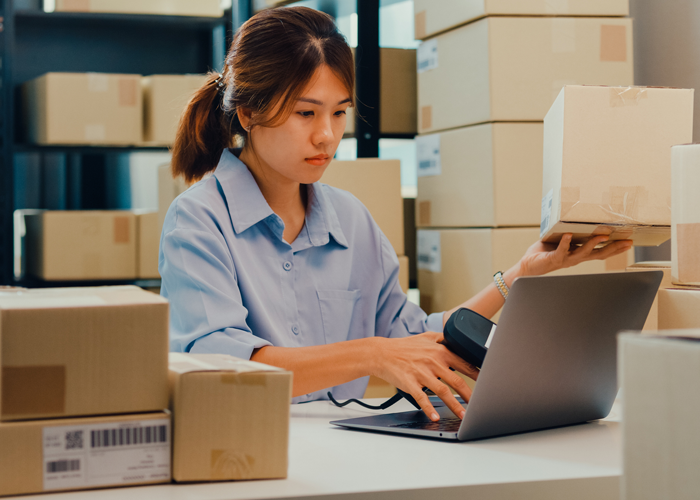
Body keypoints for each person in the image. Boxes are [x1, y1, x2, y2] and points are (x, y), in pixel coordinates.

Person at [160, 6, 633, 422]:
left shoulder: (352, 220)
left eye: (339, 113)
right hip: (242, 447)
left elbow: (413, 338)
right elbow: (217, 365)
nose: (328, 135)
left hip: (348, 452)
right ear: (247, 112)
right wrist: (370, 355)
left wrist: (522, 273)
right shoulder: (198, 221)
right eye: (306, 113)